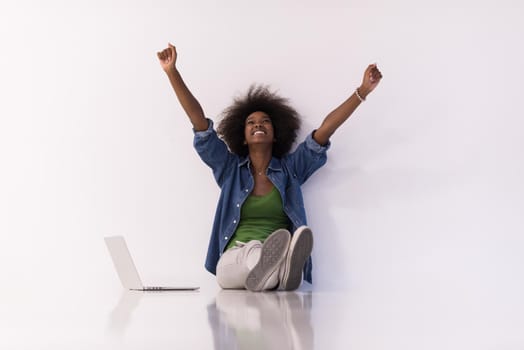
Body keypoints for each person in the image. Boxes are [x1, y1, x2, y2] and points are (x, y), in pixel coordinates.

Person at [157, 43, 382, 292]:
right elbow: (199, 123)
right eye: (251, 122)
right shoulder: (230, 169)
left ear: (276, 134)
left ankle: (276, 269)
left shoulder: (290, 170)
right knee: (243, 261)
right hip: (235, 259)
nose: (258, 124)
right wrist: (172, 72)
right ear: (242, 136)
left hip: (270, 259)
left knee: (264, 266)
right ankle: (279, 268)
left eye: (265, 121)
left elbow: (325, 129)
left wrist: (362, 91)